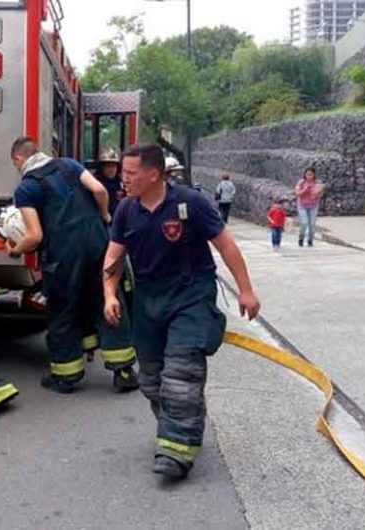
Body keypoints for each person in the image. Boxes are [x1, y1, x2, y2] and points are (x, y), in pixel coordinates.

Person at [102, 144, 260, 480]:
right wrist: (109, 294)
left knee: (181, 375)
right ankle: (179, 425)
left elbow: (227, 246)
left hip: (190, 296)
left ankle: (176, 450)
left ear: (154, 174)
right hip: (148, 300)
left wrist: (246, 290)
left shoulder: (191, 204)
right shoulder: (126, 210)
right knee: (152, 380)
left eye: (131, 173)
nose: (124, 179)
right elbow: (113, 258)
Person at [7, 137, 138, 394]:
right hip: (98, 244)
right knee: (108, 299)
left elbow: (34, 236)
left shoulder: (26, 188)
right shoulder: (69, 165)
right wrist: (103, 215)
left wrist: (15, 250)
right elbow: (100, 191)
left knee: (64, 309)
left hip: (63, 254)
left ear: (18, 159)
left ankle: (66, 375)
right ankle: (124, 371)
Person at [294, 167, 325, 247]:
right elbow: (297, 193)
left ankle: (310, 240)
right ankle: (301, 237)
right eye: (307, 174)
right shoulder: (301, 182)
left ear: (314, 175)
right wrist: (304, 190)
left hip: (313, 205)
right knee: (304, 222)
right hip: (302, 205)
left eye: (311, 174)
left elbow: (321, 193)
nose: (309, 176)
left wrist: (316, 194)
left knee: (312, 224)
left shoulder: (317, 183)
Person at [95, 148, 126, 218]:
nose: (111, 169)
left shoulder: (122, 183)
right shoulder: (95, 184)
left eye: (114, 166)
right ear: (101, 168)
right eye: (108, 166)